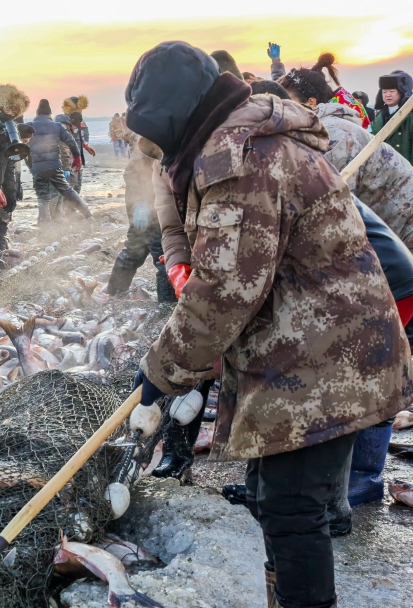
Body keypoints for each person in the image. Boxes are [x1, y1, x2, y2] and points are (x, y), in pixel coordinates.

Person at [126, 41, 412, 608]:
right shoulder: (230, 144)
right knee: (272, 496)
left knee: (292, 510)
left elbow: (223, 292)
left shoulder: (244, 161)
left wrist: (160, 373)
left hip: (330, 350)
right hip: (304, 339)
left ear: (179, 114)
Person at [280, 66, 413, 250]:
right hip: (389, 227)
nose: (282, 110)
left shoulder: (335, 135)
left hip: (404, 224)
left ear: (311, 102)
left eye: (288, 103)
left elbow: (339, 208)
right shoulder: (317, 130)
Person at [105, 138, 174, 302]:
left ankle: (114, 294)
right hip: (148, 207)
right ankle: (168, 306)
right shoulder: (148, 147)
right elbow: (138, 177)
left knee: (135, 250)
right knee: (163, 256)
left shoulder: (148, 142)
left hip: (147, 205)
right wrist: (141, 207)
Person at [0, 84, 30, 271]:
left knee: (1, 221)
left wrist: (11, 192)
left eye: (14, 110)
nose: (10, 113)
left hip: (2, 179)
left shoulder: (11, 132)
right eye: (7, 108)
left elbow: (12, 165)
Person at [27, 98, 87, 224]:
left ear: (37, 113)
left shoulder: (30, 126)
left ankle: (45, 221)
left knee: (43, 196)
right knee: (66, 191)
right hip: (55, 165)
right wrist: (76, 159)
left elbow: (23, 148)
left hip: (38, 168)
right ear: (50, 114)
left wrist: (30, 165)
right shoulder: (57, 126)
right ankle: (86, 214)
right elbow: (70, 143)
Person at [373, 71, 413, 164]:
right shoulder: (379, 115)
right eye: (384, 91)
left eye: (392, 91)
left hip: (404, 166)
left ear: (402, 92)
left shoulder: (410, 116)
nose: (387, 95)